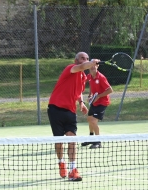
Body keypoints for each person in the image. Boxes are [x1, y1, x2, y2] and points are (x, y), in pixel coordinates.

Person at [47, 52, 100, 181]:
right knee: (59, 141)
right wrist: (92, 63)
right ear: (76, 60)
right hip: (55, 109)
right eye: (82, 58)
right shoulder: (71, 68)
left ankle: (73, 170)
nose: (85, 60)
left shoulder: (82, 77)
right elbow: (82, 67)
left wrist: (81, 103)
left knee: (72, 139)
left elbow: (79, 92)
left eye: (87, 58)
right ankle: (61, 162)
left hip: (70, 112)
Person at [82, 63, 113, 149]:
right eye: (90, 65)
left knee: (93, 121)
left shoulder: (101, 77)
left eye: (94, 65)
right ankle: (91, 138)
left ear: (97, 66)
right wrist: (90, 95)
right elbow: (91, 85)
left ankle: (98, 141)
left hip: (102, 102)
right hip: (94, 102)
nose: (92, 67)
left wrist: (98, 96)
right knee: (89, 119)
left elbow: (110, 90)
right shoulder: (90, 76)